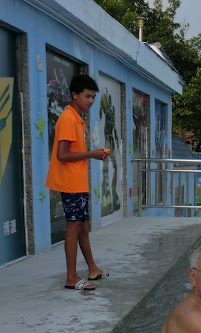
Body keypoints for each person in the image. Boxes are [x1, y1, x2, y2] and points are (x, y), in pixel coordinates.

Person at [45, 74, 110, 291]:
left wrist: (94, 153)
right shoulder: (68, 118)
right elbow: (62, 155)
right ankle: (71, 277)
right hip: (70, 183)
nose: (90, 101)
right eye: (87, 96)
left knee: (83, 226)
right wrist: (91, 154)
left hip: (78, 182)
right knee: (74, 227)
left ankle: (92, 268)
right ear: (75, 95)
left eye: (93, 97)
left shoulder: (77, 118)